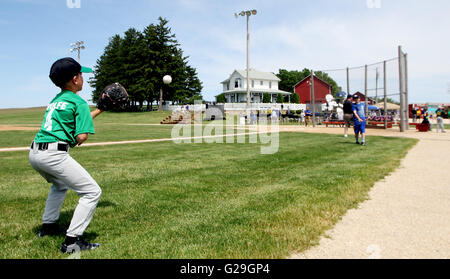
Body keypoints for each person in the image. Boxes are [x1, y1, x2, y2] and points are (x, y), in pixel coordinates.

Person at [29, 57, 104, 253]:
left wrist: (99, 110)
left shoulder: (57, 100)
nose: (82, 77)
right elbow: (80, 136)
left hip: (36, 152)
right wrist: (84, 131)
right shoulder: (79, 101)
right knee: (92, 192)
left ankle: (49, 227)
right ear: (75, 79)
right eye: (80, 74)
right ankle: (72, 241)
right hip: (54, 155)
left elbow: (72, 120)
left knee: (59, 185)